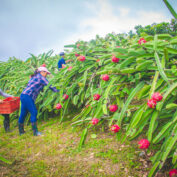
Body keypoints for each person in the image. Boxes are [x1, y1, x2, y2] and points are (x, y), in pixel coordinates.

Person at [18, 66, 59, 136]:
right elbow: (50, 85)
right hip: (28, 96)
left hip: (23, 95)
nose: (46, 75)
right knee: (34, 112)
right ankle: (35, 132)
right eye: (46, 73)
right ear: (42, 72)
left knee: (23, 113)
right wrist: (58, 91)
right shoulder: (41, 78)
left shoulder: (34, 76)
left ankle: (21, 131)